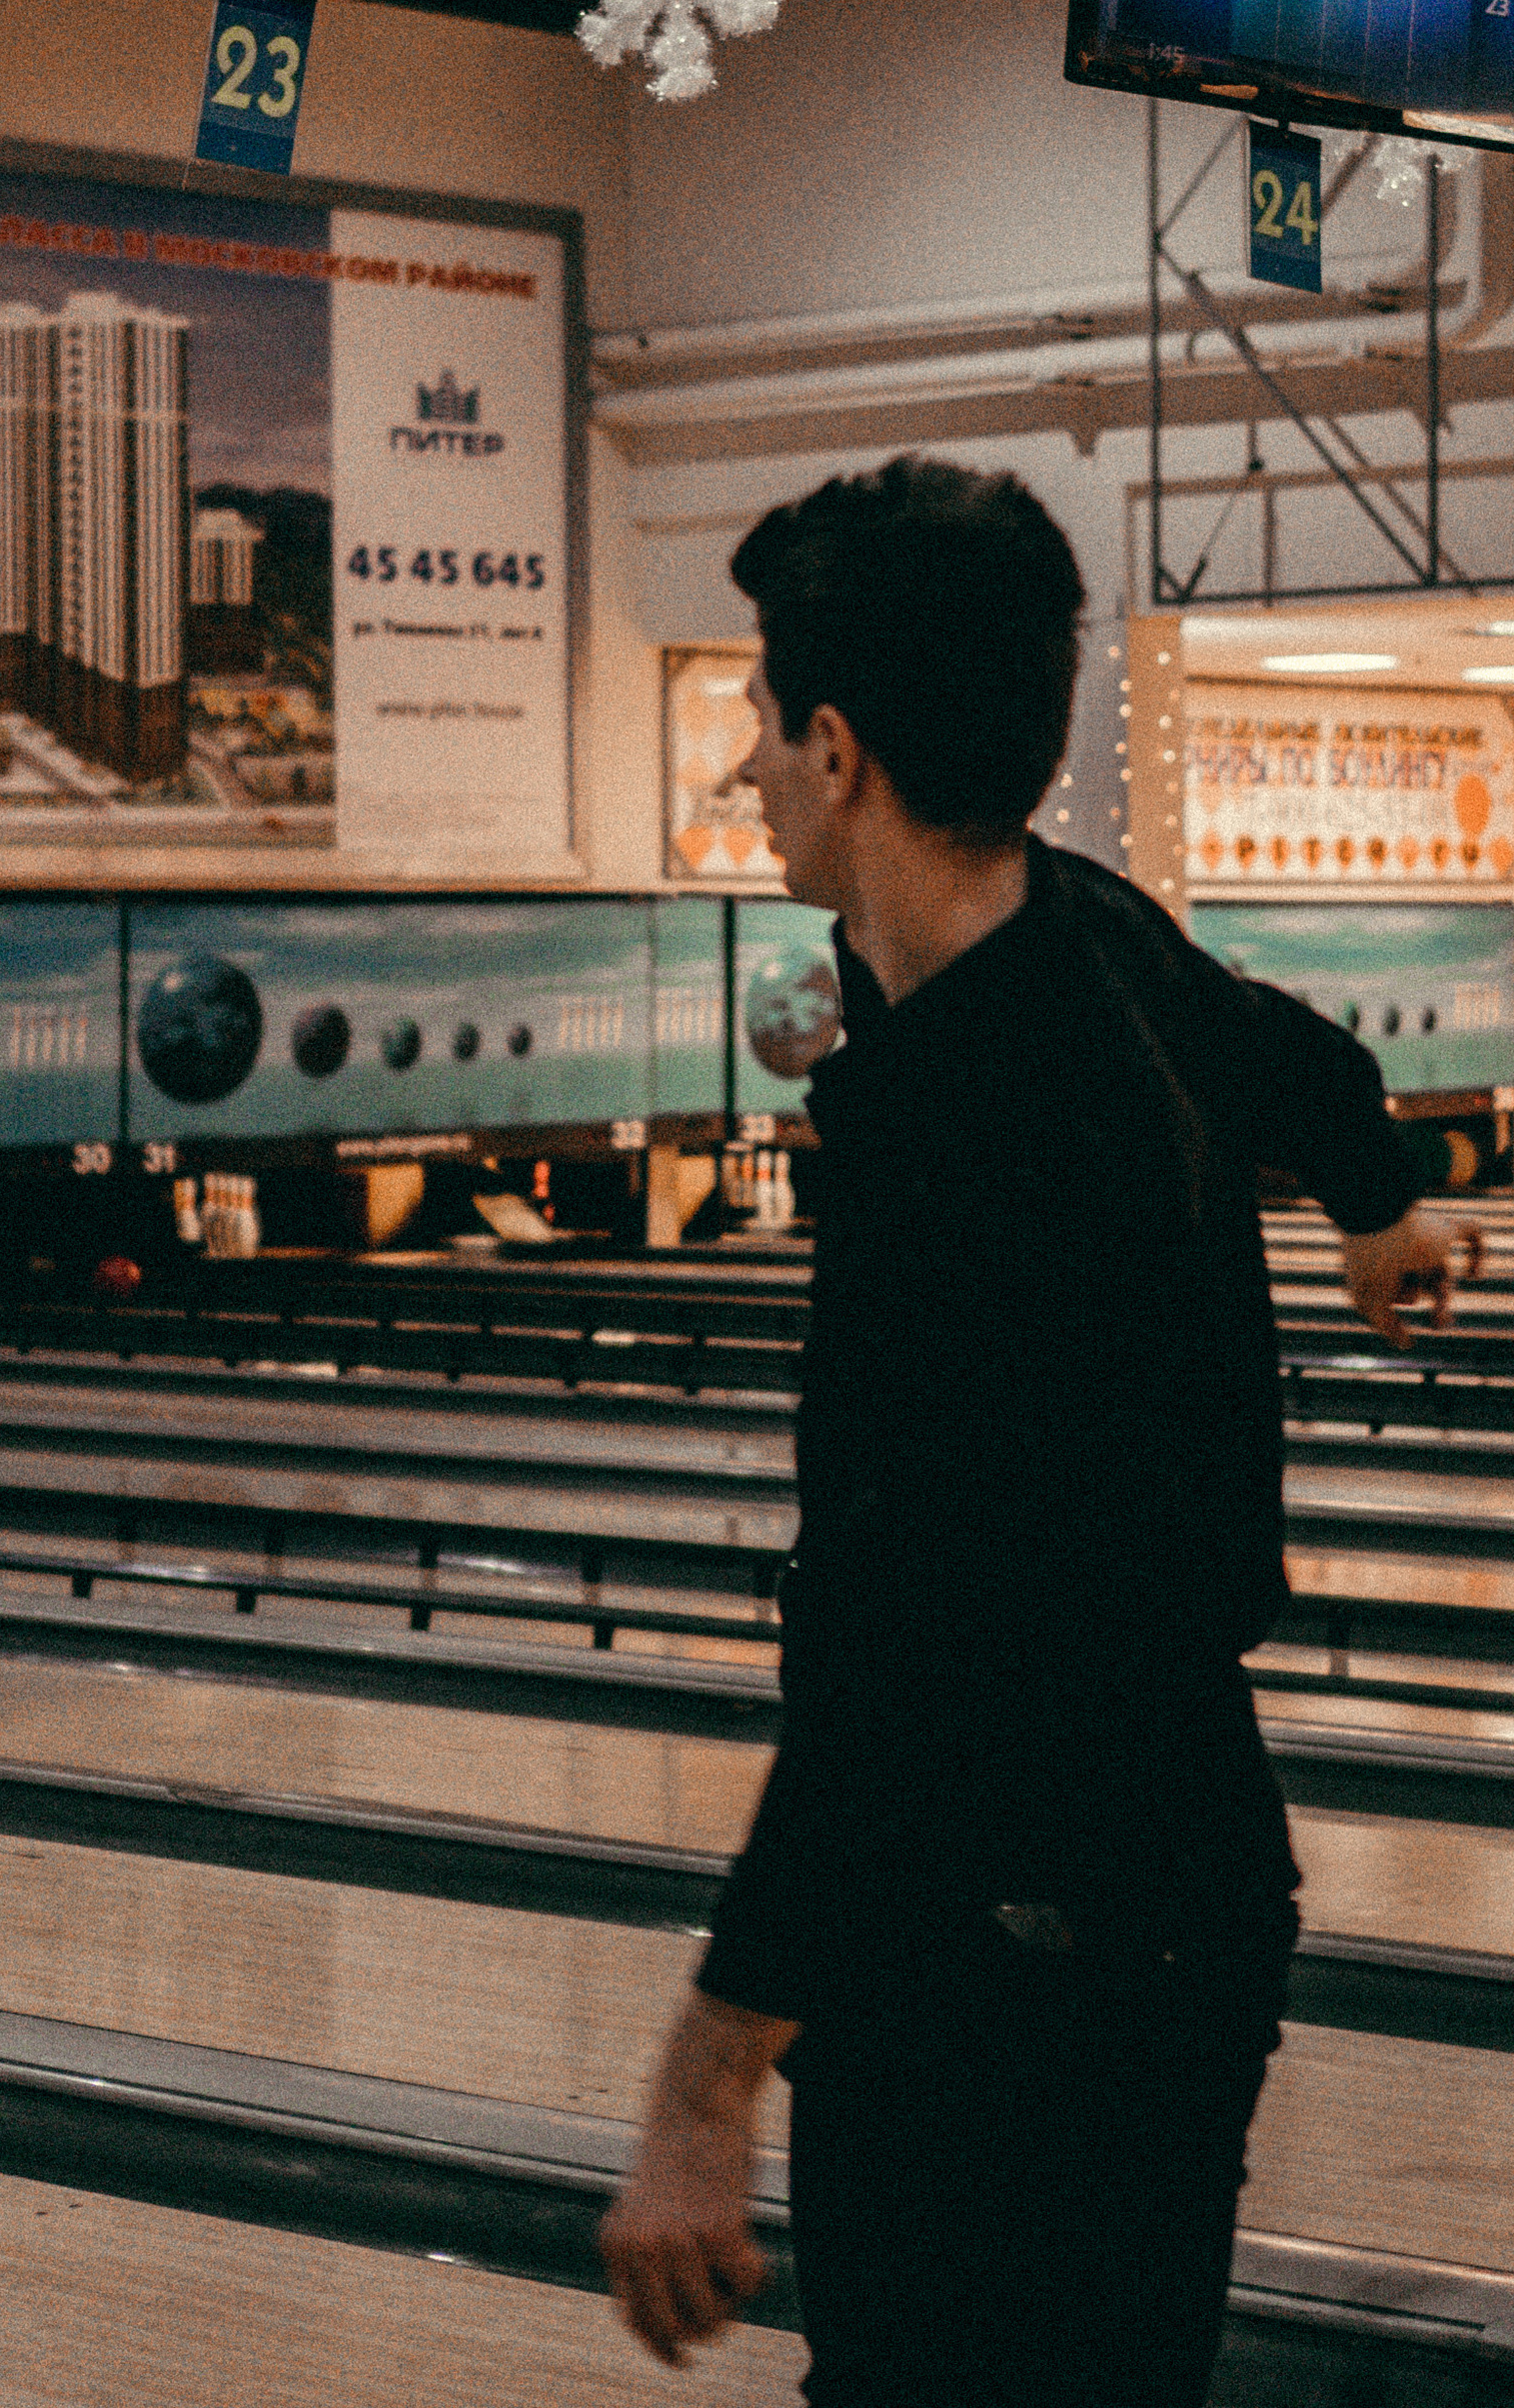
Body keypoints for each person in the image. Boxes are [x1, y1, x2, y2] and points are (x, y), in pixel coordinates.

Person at [601, 457, 1457, 2405]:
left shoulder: (996, 1152)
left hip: (1022, 1949)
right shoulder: (1080, 938)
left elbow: (907, 1664)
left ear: (835, 749)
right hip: (1159, 1888)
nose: (740, 769)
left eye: (753, 722)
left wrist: (701, 2081)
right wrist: (1378, 1198)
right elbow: (1287, 1054)